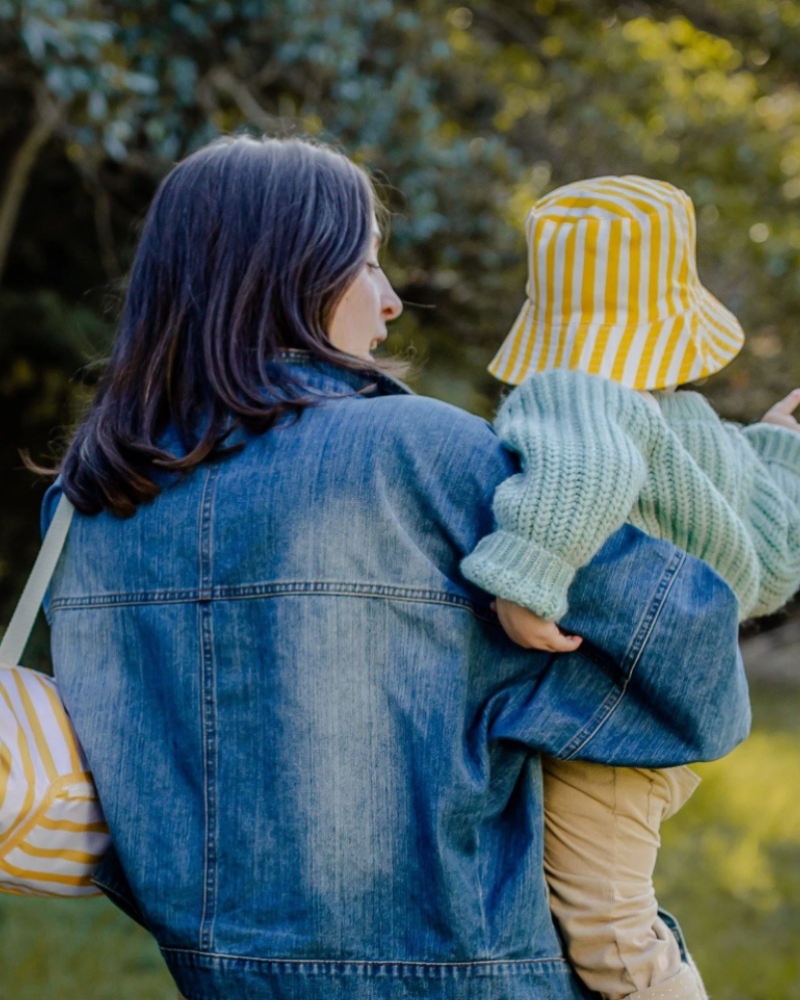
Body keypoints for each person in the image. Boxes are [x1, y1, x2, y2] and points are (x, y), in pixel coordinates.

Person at [38, 139, 748, 1000]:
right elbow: (685, 643)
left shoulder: (88, 501)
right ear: (292, 274)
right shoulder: (425, 455)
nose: (391, 301)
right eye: (366, 263)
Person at [462, 175, 800, 1000]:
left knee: (612, 934)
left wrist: (525, 578)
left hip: (605, 724)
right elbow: (770, 570)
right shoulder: (705, 437)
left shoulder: (577, 393)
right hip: (669, 724)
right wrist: (781, 454)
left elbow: (587, 469)